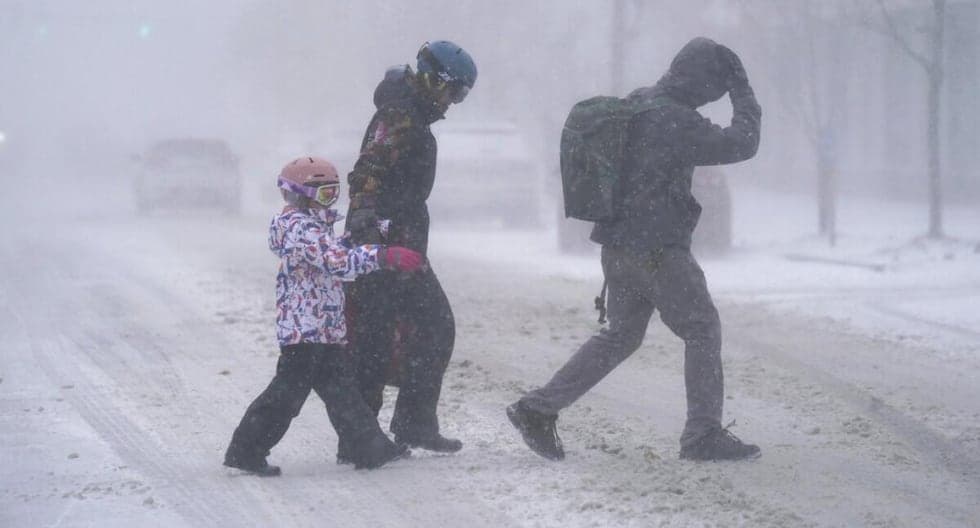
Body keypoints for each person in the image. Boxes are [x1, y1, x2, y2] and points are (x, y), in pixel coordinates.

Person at [507, 37, 763, 462]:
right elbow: (743, 142)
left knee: (620, 337)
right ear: (702, 83)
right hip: (659, 249)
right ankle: (702, 436)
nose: (710, 99)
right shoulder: (674, 120)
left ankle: (537, 407)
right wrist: (743, 91)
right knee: (702, 329)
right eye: (713, 90)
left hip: (618, 247)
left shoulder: (638, 104)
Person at [223, 156, 424, 476]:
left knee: (342, 391)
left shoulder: (311, 226)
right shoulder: (299, 227)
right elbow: (336, 262)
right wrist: (384, 255)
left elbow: (331, 251)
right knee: (286, 394)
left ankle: (368, 447)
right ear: (300, 194)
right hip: (305, 330)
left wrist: (363, 236)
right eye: (324, 194)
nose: (330, 200)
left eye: (334, 193)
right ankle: (246, 448)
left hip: (323, 327)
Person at [342, 40, 477, 458]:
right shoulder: (400, 114)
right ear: (434, 79)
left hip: (404, 242)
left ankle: (410, 424)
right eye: (454, 91)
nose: (454, 102)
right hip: (382, 243)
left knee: (424, 328)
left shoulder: (412, 114)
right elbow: (368, 168)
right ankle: (361, 439)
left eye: (462, 96)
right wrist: (366, 219)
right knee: (377, 338)